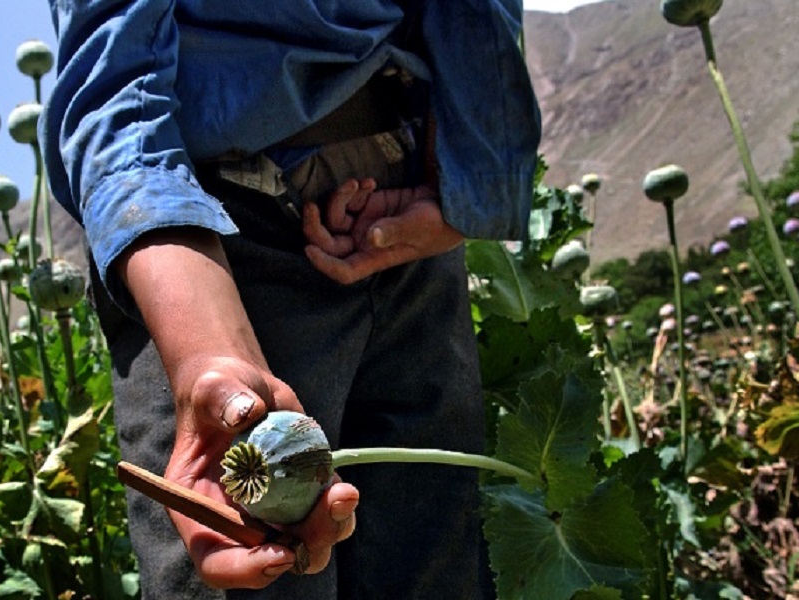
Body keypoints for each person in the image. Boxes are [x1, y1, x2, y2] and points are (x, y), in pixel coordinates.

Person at [43, 1, 540, 597]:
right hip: (219, 247)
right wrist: (209, 354)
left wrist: (460, 181)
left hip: (412, 229)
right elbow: (115, 80)